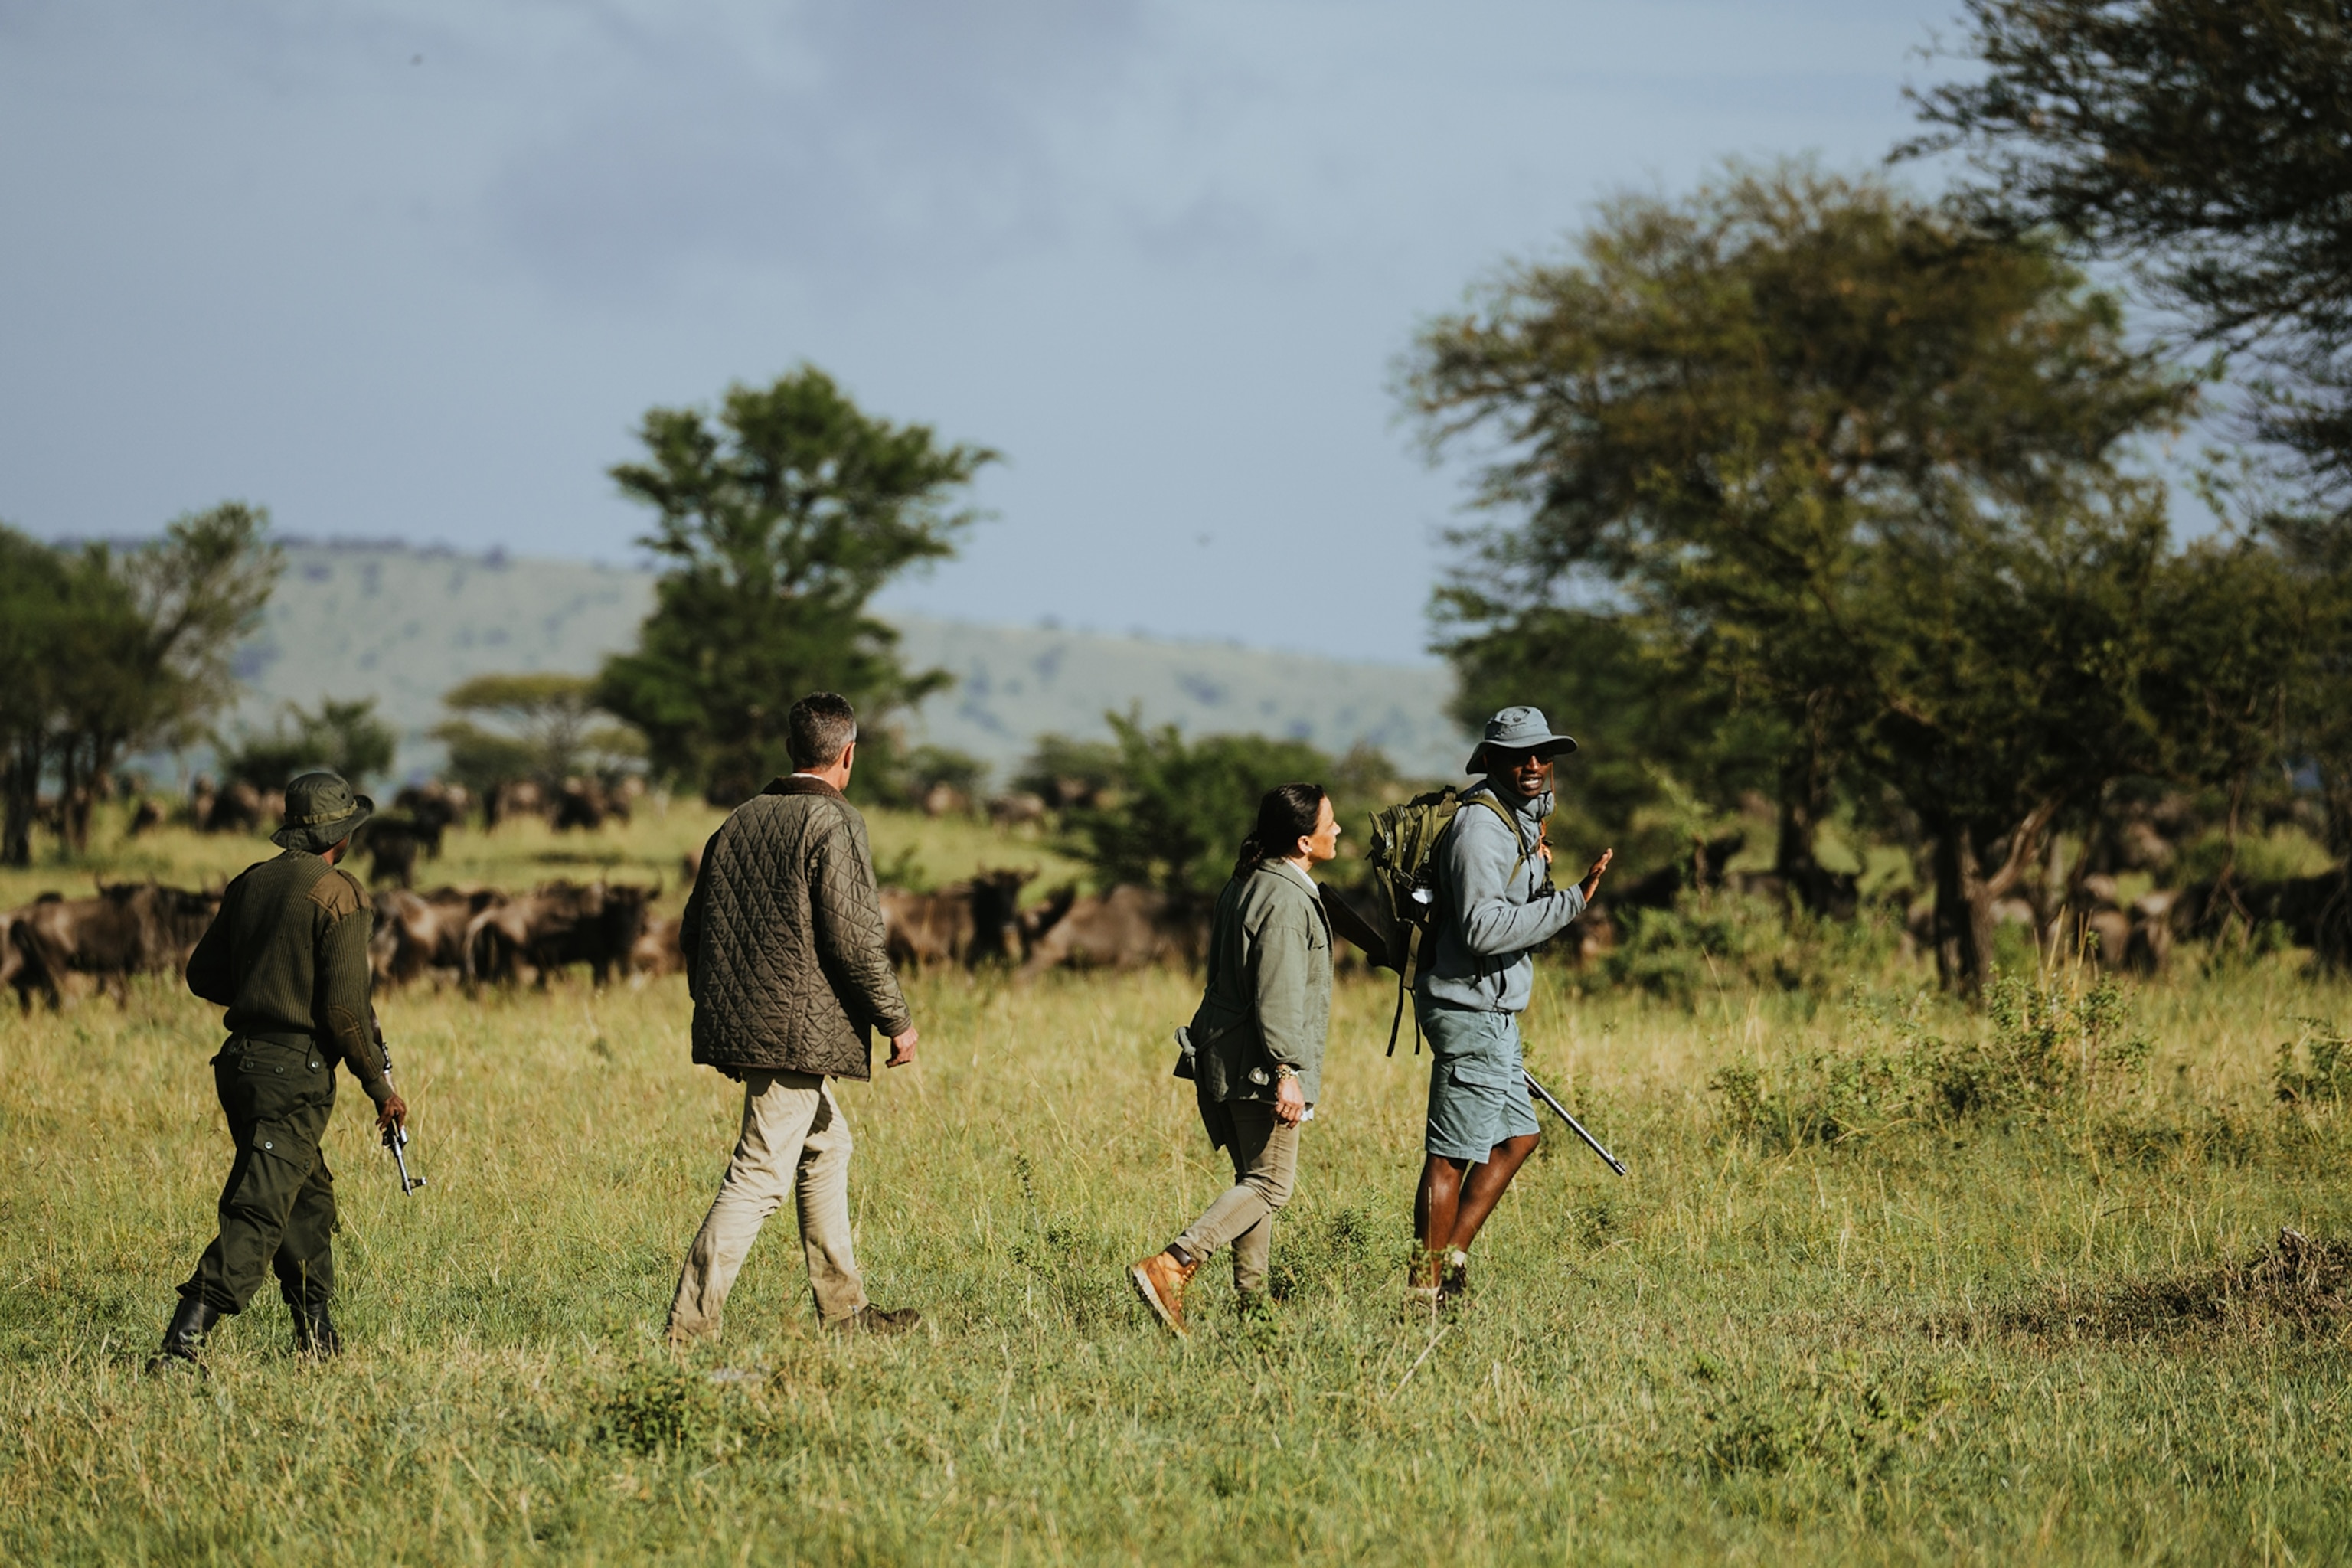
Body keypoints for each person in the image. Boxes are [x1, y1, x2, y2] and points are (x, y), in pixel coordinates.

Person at [665, 692, 923, 1343]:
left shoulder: (738, 819)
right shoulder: (835, 824)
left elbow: (691, 930)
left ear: (789, 751)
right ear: (848, 754)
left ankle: (846, 1313)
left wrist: (721, 1007)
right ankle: (688, 1330)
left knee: (828, 1145)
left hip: (751, 1024)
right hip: (795, 1034)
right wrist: (897, 1020)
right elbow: (855, 939)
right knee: (758, 1175)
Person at [154, 772, 408, 1367]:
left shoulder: (249, 884)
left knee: (306, 1197)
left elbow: (201, 976)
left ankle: (317, 1338)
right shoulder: (340, 894)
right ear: (341, 837)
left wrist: (265, 986)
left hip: (240, 1064)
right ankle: (181, 1346)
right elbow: (347, 1012)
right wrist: (382, 1089)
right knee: (260, 1208)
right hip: (292, 1073)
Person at [1410, 707, 1611, 1310]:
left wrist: (1544, 842)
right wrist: (1572, 901)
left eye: (1542, 754)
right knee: (1450, 1155)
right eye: (1518, 755)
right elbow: (1481, 929)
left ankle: (1453, 1261)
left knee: (1518, 1137)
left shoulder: (1517, 819)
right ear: (1491, 761)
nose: (1533, 765)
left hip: (1493, 1008)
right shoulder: (1481, 830)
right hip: (1468, 1007)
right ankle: (1422, 1293)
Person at [1131, 782, 1339, 1336]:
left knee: (1254, 1181)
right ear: (1303, 840)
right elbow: (1278, 992)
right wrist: (1287, 1072)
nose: (1337, 831)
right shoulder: (1288, 898)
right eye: (1329, 824)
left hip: (1229, 1053)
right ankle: (1174, 1263)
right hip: (1259, 1063)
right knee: (1273, 1186)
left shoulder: (1247, 881)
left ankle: (1255, 1307)